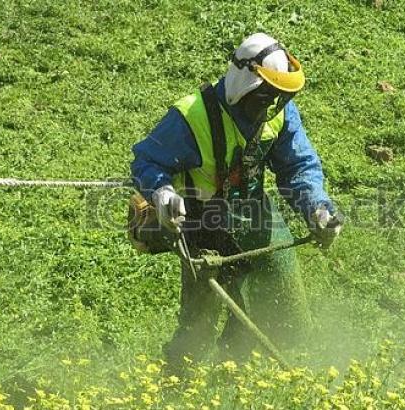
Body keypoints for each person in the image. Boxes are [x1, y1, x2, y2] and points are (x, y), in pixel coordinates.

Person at [130, 33, 343, 369]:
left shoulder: (280, 111)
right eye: (268, 97)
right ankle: (177, 380)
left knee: (283, 293)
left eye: (281, 98)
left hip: (255, 211)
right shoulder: (190, 116)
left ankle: (241, 374)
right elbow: (147, 161)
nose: (274, 106)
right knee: (201, 314)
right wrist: (162, 193)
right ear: (244, 85)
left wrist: (317, 207)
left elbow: (298, 165)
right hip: (200, 218)